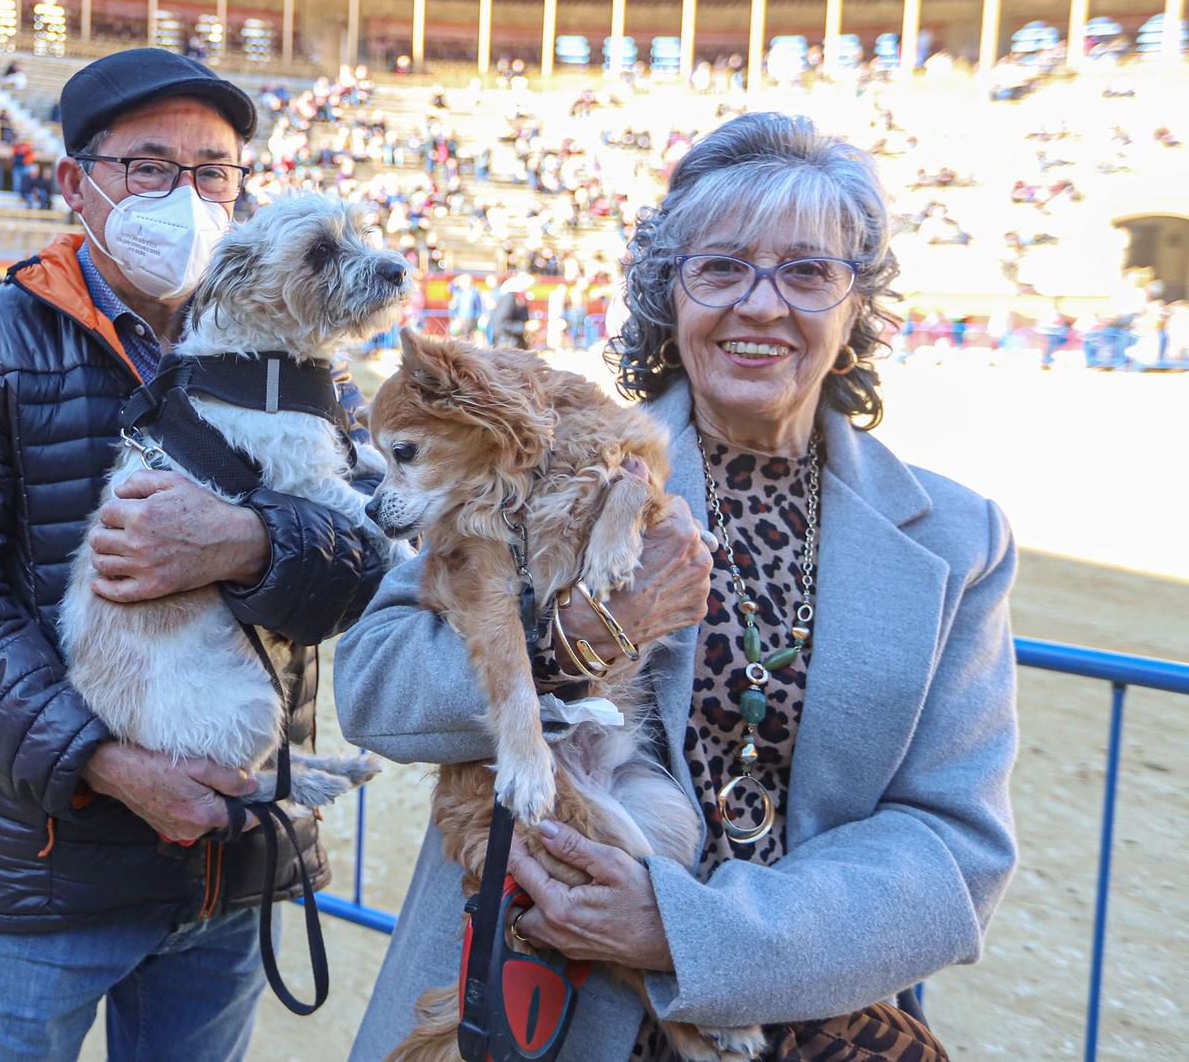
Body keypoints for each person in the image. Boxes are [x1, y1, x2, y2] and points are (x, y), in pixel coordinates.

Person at [338, 113, 1018, 1060]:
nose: (761, 304)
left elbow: (952, 844)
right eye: (721, 267)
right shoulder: (540, 447)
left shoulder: (959, 538)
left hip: (801, 1019)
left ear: (857, 302)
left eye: (808, 271)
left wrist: (689, 931)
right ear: (670, 293)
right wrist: (572, 636)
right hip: (538, 1002)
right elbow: (373, 683)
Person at [0, 48, 392, 1059]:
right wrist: (99, 760)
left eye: (213, 169)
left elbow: (365, 558)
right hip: (44, 866)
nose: (186, 194)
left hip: (231, 867)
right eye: (150, 165)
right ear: (77, 181)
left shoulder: (298, 353)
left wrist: (249, 541)